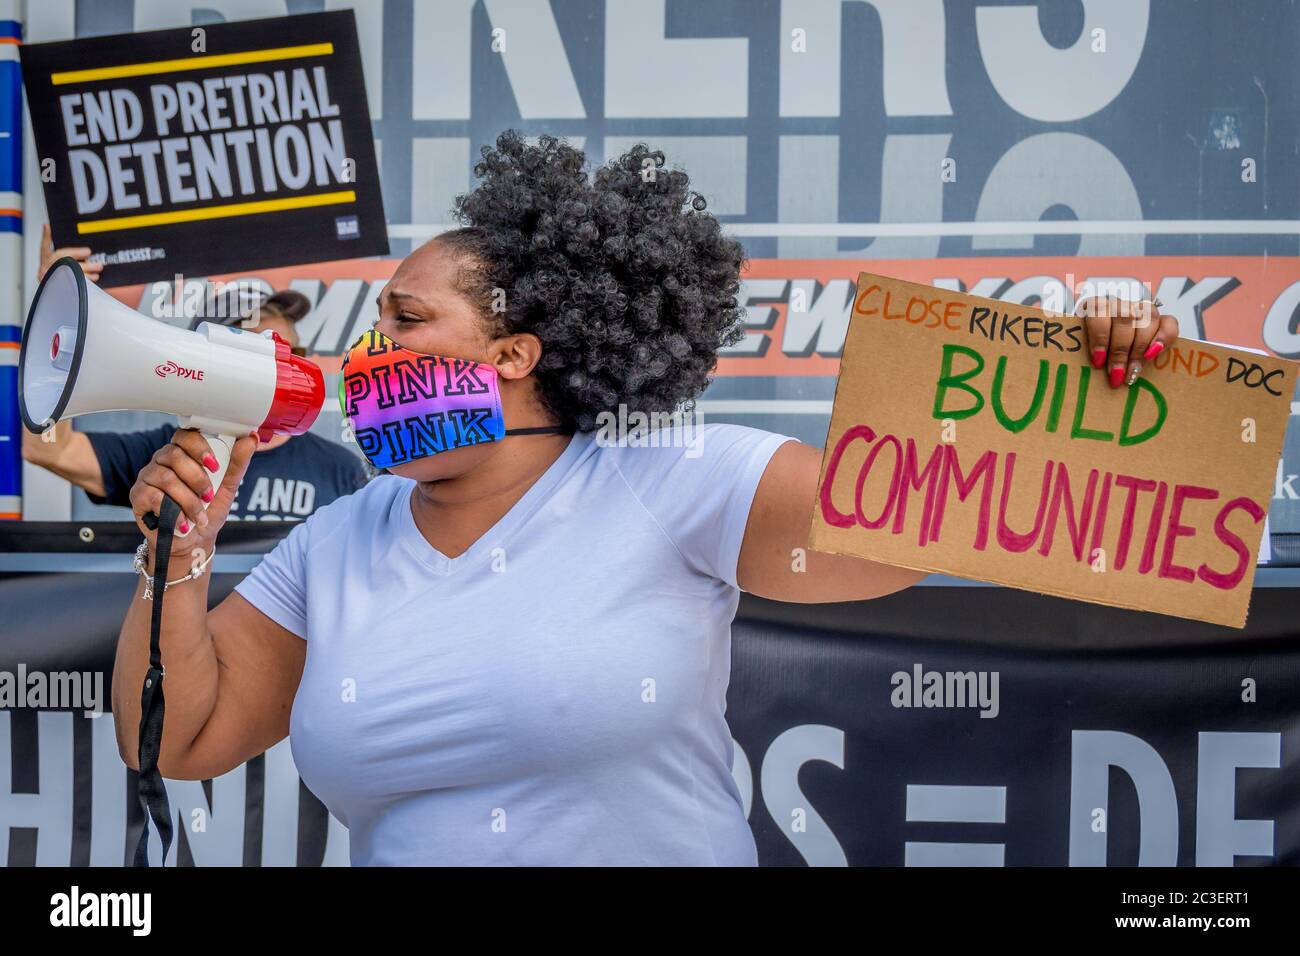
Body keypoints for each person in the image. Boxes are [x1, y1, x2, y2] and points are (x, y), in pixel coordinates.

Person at [110, 132, 1179, 866]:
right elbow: (177, 738)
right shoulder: (333, 542)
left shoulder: (669, 476)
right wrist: (180, 549)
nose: (367, 350)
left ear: (514, 352)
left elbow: (913, 517)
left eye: (405, 318)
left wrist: (1086, 384)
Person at [22, 225, 368, 524]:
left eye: (290, 355)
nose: (282, 369)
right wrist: (61, 312)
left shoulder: (341, 470)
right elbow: (51, 450)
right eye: (263, 356)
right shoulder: (165, 457)